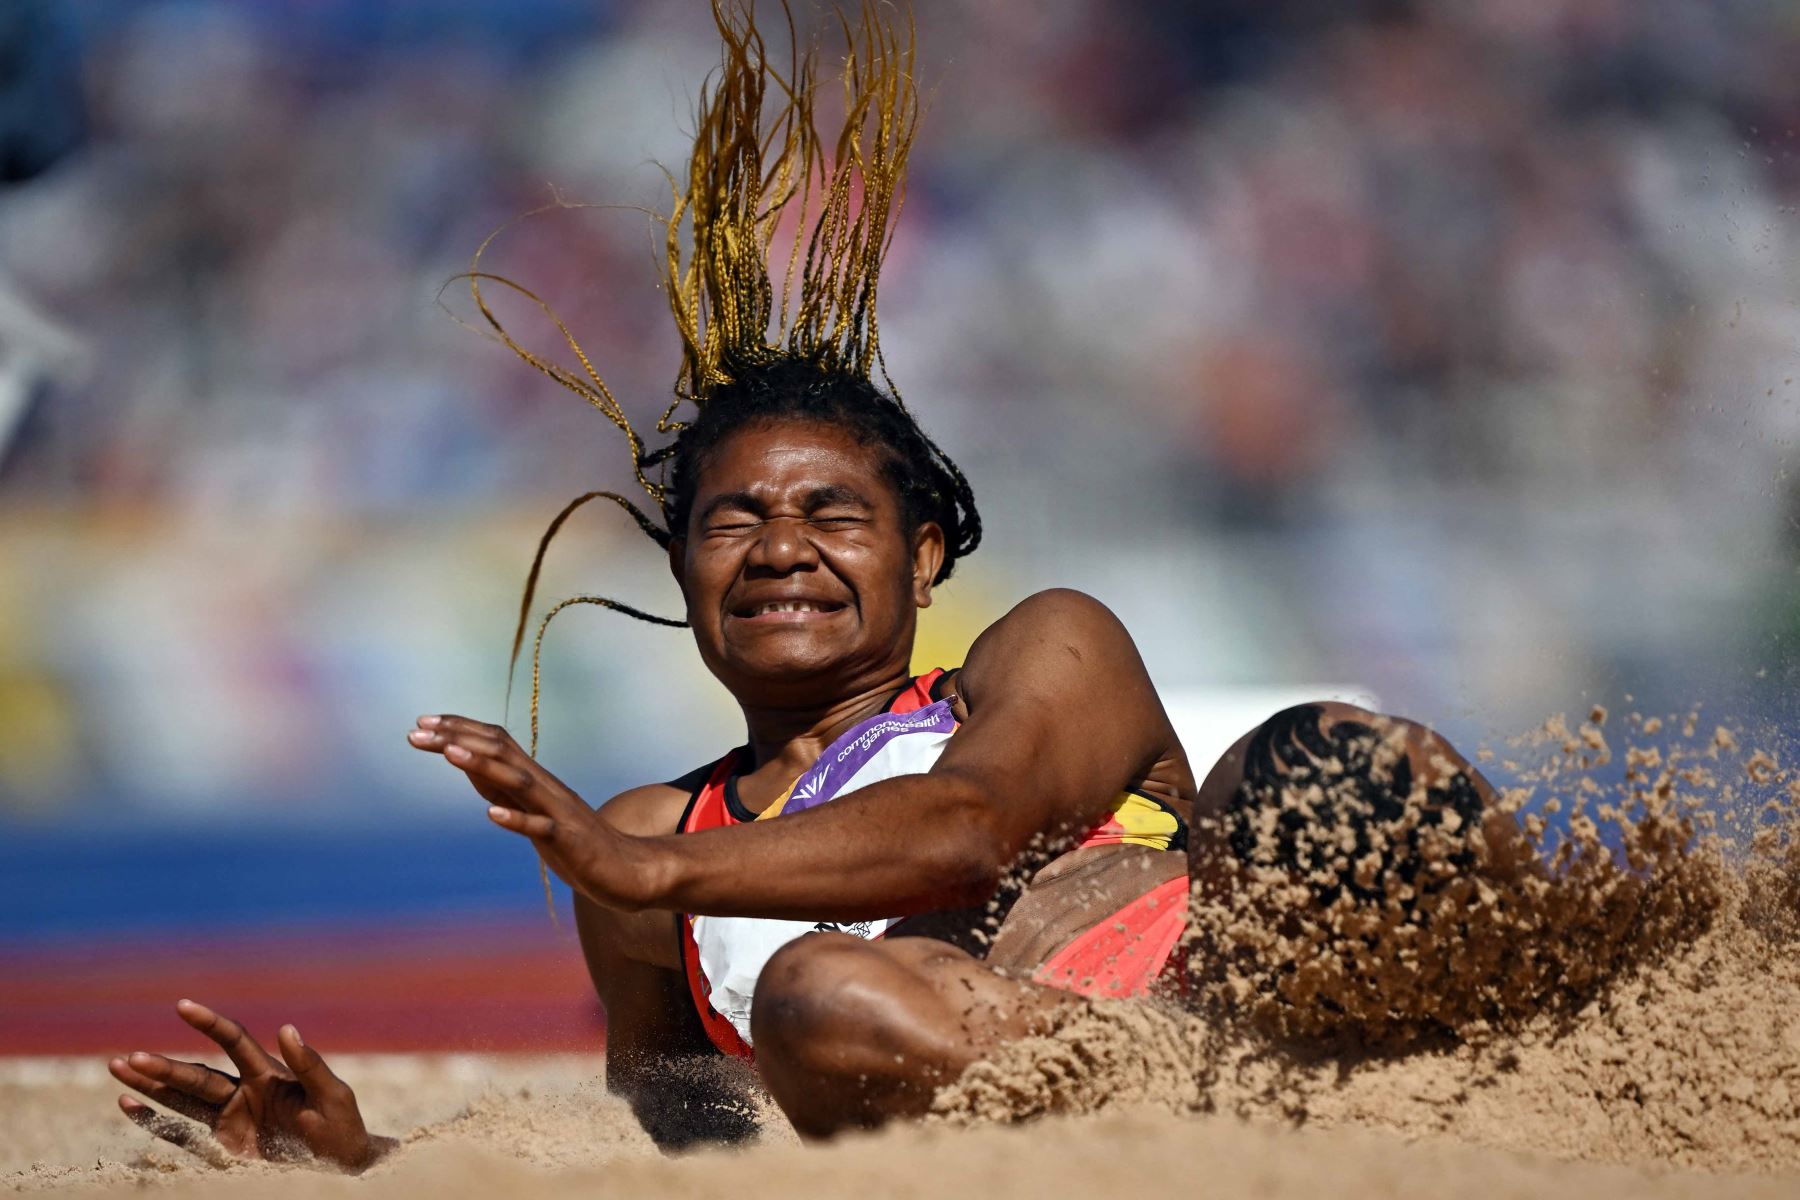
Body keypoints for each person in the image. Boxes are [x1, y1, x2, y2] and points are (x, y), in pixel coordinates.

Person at [106, 0, 1503, 1167]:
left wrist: (648, 863)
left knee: (1314, 758)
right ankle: (1122, 1101)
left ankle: (1564, 985)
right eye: (733, 522)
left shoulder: (1046, 655)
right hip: (1000, 1096)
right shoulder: (654, 852)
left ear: (927, 554)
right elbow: (686, 1145)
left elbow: (968, 828)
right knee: (815, 995)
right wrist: (380, 1170)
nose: (780, 546)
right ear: (682, 568)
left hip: (1253, 1009)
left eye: (832, 513)